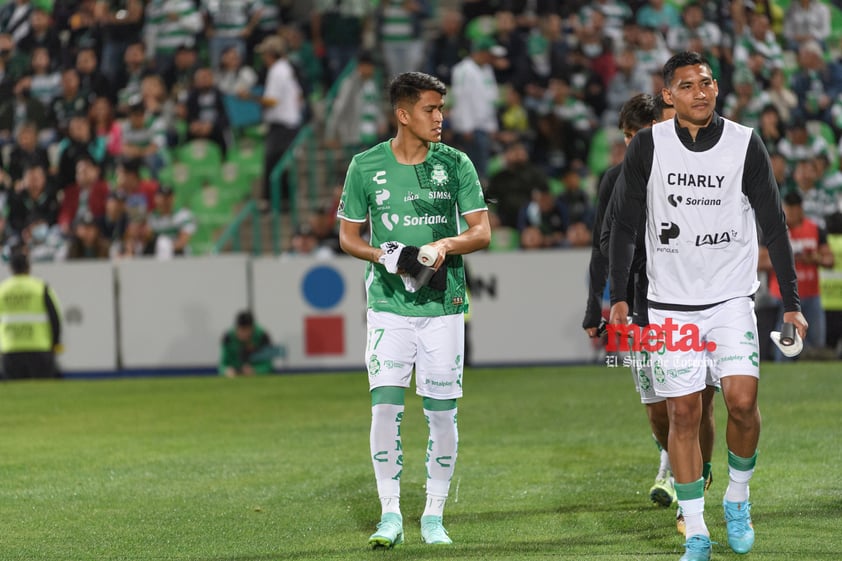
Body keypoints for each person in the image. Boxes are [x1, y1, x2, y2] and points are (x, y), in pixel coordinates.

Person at [607, 51, 807, 561]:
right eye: (687, 85)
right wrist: (619, 298)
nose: (701, 91)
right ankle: (696, 529)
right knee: (682, 413)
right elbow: (625, 227)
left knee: (741, 403)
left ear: (716, 88)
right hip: (669, 307)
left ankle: (737, 498)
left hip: (729, 301)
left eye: (707, 82)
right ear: (668, 95)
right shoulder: (648, 146)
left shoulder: (744, 143)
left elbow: (775, 225)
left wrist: (791, 302)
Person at [337, 71, 490, 548]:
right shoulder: (365, 166)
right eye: (430, 109)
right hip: (387, 305)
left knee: (442, 414)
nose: (440, 117)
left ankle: (432, 516)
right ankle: (390, 515)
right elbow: (348, 237)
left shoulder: (457, 163)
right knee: (385, 409)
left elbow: (481, 232)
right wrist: (386, 254)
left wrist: (444, 243)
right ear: (403, 114)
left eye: (442, 108)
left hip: (444, 305)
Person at [588, 93, 716, 534]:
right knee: (659, 412)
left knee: (697, 404)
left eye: (640, 136)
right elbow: (601, 245)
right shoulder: (615, 180)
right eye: (627, 137)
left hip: (690, 305)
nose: (633, 145)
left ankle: (691, 488)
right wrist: (597, 303)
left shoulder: (690, 173)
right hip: (637, 308)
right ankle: (673, 457)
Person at [762, 191, 834, 359]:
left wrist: (814, 258)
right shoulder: (774, 230)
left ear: (801, 209)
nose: (793, 213)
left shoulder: (815, 229)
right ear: (784, 208)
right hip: (783, 297)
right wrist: (787, 259)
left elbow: (829, 260)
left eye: (796, 209)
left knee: (817, 345)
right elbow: (759, 262)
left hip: (811, 295)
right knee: (785, 344)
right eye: (789, 209)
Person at [0, 247, 62, 379]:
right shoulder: (40, 287)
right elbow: (55, 318)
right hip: (39, 348)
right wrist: (55, 343)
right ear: (29, 267)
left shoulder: (2, 290)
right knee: (43, 395)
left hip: (11, 349)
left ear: (10, 268)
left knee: (15, 396)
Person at [218, 310, 275, 377]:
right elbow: (222, 365)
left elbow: (268, 366)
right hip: (234, 377)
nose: (244, 334)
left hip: (257, 378)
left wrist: (255, 370)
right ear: (236, 328)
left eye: (247, 330)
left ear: (252, 328)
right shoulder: (227, 338)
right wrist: (227, 370)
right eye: (241, 330)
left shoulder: (263, 337)